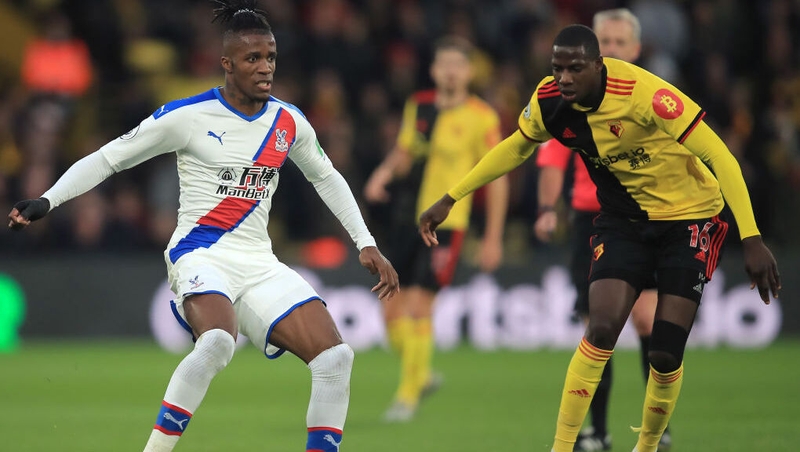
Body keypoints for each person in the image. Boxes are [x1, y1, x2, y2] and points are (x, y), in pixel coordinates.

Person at [7, 1, 399, 451]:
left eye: (270, 56)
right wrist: (48, 199)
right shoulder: (187, 117)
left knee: (336, 358)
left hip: (258, 262)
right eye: (253, 58)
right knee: (216, 341)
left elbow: (325, 177)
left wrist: (365, 242)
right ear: (227, 64)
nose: (265, 67)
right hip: (200, 254)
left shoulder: (288, 121)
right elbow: (109, 157)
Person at [419, 24, 780, 452]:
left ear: (598, 65)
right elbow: (517, 146)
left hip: (690, 219)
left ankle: (646, 446)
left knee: (664, 353)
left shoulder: (646, 94)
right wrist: (451, 197)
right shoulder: (550, 101)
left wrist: (752, 237)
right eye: (557, 68)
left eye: (575, 68)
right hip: (624, 221)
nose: (564, 78)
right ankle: (561, 447)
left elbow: (719, 154)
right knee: (602, 328)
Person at [532, 9, 667, 451]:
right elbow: (552, 158)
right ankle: (598, 432)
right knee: (598, 327)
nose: (609, 48)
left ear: (635, 49)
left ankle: (655, 432)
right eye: (602, 40)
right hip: (592, 220)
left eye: (617, 41)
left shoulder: (650, 98)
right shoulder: (572, 99)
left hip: (647, 219)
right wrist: (548, 208)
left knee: (648, 320)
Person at [363, 36, 509, 422]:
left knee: (418, 306)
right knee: (390, 311)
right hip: (405, 218)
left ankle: (407, 396)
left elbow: (496, 178)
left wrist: (493, 236)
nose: (450, 71)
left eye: (457, 65)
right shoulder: (420, 105)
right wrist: (382, 172)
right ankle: (421, 372)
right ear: (433, 69)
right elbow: (405, 149)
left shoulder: (482, 117)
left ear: (469, 72)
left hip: (447, 225)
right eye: (443, 64)